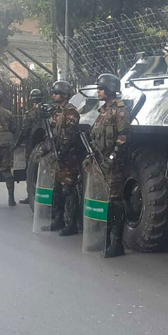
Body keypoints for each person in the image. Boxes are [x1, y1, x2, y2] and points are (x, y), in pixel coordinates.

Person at [85, 73, 131, 257]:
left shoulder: (119, 110)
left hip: (113, 165)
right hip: (99, 162)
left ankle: (116, 243)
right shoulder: (103, 110)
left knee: (114, 203)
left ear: (110, 90)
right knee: (101, 200)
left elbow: (123, 138)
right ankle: (103, 237)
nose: (98, 91)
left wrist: (111, 158)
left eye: (101, 88)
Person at [41, 81, 81, 235]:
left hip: (68, 156)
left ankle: (71, 224)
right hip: (57, 155)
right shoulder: (56, 112)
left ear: (63, 95)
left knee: (68, 189)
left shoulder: (71, 112)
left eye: (56, 93)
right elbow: (51, 132)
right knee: (57, 188)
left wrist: (62, 151)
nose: (53, 95)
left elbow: (70, 135)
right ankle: (59, 219)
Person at [17, 89, 45, 204]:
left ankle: (31, 195)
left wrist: (17, 144)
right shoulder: (48, 111)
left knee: (31, 170)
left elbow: (24, 131)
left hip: (32, 146)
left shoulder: (30, 114)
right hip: (45, 145)